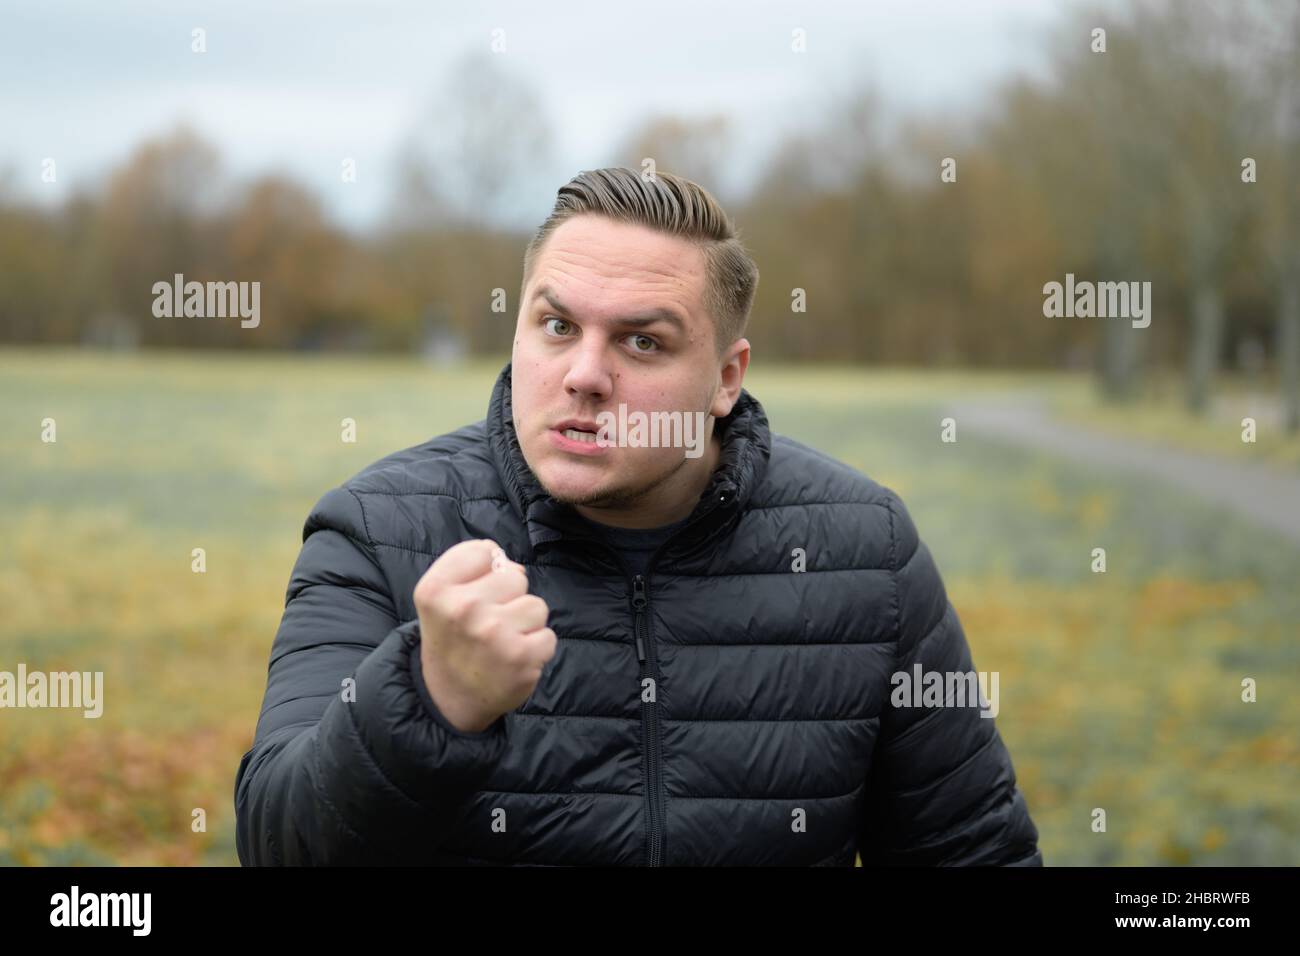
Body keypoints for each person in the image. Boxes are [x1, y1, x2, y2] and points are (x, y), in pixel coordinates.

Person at [234, 167, 1043, 866]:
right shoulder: (377, 532)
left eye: (642, 343)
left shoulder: (867, 553)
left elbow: (971, 852)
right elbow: (279, 842)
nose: (584, 374)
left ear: (727, 377)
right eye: (557, 326)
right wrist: (428, 698)